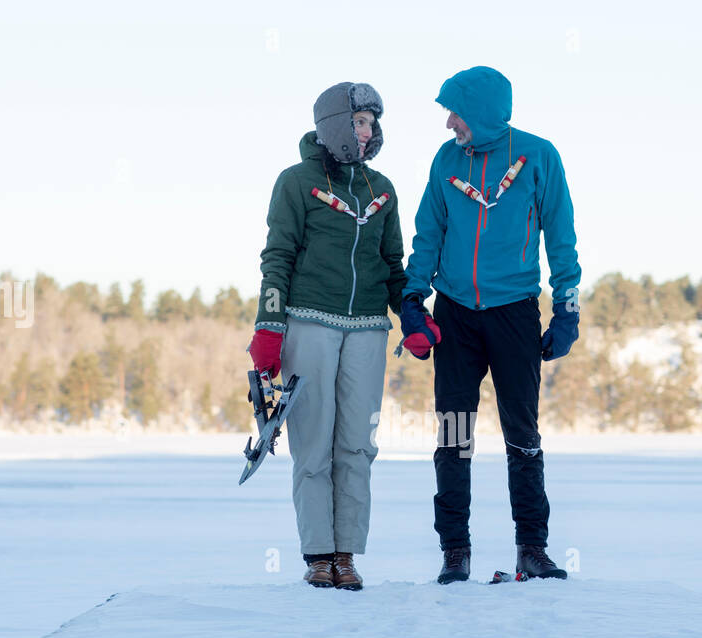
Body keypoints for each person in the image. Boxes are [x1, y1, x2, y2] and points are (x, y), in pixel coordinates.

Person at [399, 66, 582, 584]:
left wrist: (566, 307)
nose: (449, 123)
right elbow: (428, 232)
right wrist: (415, 297)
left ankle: (531, 548)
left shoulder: (539, 155)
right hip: (455, 314)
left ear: (480, 111)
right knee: (453, 436)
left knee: (523, 435)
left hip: (515, 313)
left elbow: (562, 238)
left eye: (454, 112)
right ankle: (455, 552)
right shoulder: (446, 160)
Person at [249, 82, 405, 590]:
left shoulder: (382, 189)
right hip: (309, 322)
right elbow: (277, 258)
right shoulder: (295, 183)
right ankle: (318, 555)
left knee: (357, 445)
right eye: (359, 121)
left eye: (372, 123)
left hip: (366, 328)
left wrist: (413, 315)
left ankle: (346, 554)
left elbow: (392, 264)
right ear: (336, 124)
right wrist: (268, 329)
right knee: (312, 445)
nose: (369, 131)